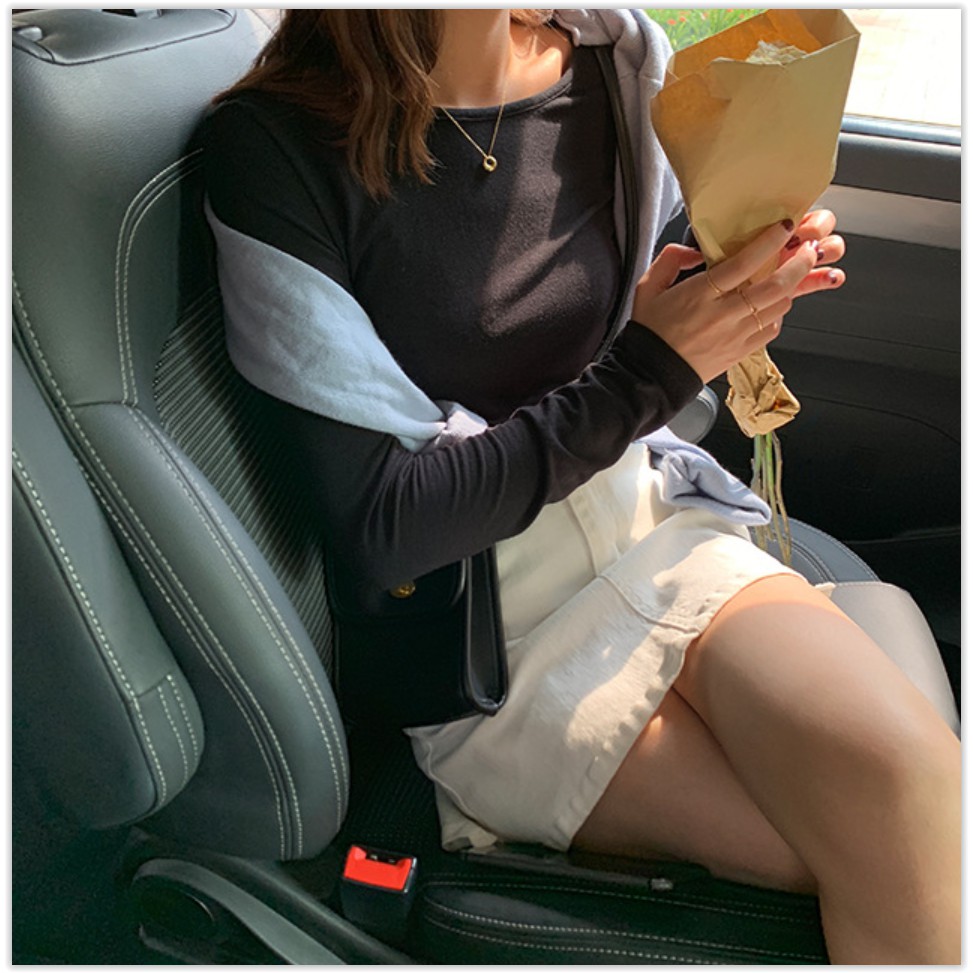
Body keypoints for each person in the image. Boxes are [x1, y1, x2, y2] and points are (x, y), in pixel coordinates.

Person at [202, 9, 960, 963]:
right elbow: (384, 524)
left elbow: (631, 330)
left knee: (918, 803)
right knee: (860, 858)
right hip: (479, 626)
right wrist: (651, 368)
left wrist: (732, 285)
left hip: (647, 520)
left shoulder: (616, 66)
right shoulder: (276, 147)